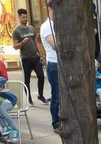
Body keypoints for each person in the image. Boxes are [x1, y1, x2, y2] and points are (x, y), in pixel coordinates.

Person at [13, 9, 48, 106]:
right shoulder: (16, 31)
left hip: (35, 57)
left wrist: (40, 54)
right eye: (23, 17)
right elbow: (15, 46)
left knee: (41, 76)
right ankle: (29, 99)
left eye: (26, 17)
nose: (25, 19)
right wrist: (22, 42)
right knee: (27, 80)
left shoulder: (31, 28)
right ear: (19, 17)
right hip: (25, 58)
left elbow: (36, 41)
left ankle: (40, 95)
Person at [40, 0, 59, 133]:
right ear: (50, 9)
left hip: (62, 65)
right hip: (53, 64)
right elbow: (55, 44)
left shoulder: (58, 24)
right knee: (56, 95)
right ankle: (55, 121)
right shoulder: (47, 26)